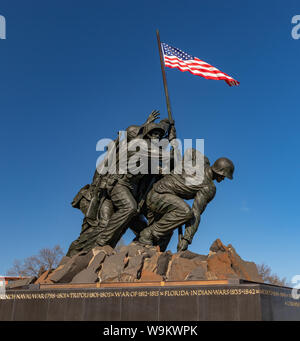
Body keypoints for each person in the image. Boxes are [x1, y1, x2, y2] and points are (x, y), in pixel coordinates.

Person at [137, 149, 234, 251]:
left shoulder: (203, 161)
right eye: (223, 176)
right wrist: (187, 239)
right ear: (219, 172)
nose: (223, 179)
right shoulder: (208, 188)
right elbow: (195, 212)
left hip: (158, 195)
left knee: (166, 233)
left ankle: (151, 252)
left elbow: (190, 151)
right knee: (185, 212)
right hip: (159, 196)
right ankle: (147, 234)